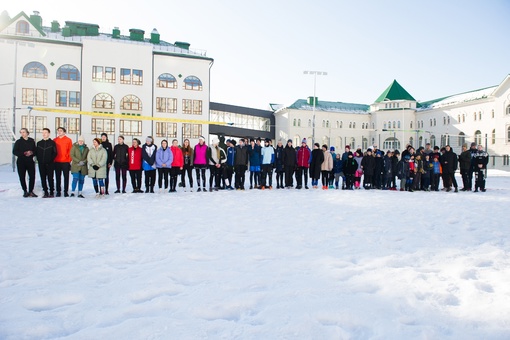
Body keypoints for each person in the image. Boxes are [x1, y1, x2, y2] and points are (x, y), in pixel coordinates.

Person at [12, 128, 37, 197]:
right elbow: (15, 151)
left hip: (30, 161)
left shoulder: (32, 141)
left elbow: (35, 151)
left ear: (27, 133)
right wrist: (24, 153)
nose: (22, 134)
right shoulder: (18, 142)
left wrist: (31, 152)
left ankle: (31, 191)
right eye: (21, 132)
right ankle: (25, 191)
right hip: (21, 161)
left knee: (32, 176)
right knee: (22, 176)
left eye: (24, 132)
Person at [36, 127, 57, 198]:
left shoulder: (52, 143)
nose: (44, 134)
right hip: (41, 164)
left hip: (50, 164)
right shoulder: (39, 143)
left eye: (45, 132)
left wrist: (50, 160)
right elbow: (37, 153)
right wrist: (39, 160)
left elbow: (55, 153)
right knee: (43, 178)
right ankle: (45, 191)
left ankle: (51, 191)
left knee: (50, 178)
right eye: (43, 132)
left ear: (49, 134)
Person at [54, 127, 73, 197]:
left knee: (66, 177)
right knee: (57, 177)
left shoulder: (68, 140)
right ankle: (58, 191)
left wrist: (69, 160)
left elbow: (70, 150)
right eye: (58, 131)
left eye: (61, 131)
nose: (59, 132)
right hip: (57, 161)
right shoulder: (55, 140)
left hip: (65, 161)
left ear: (64, 132)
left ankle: (66, 191)